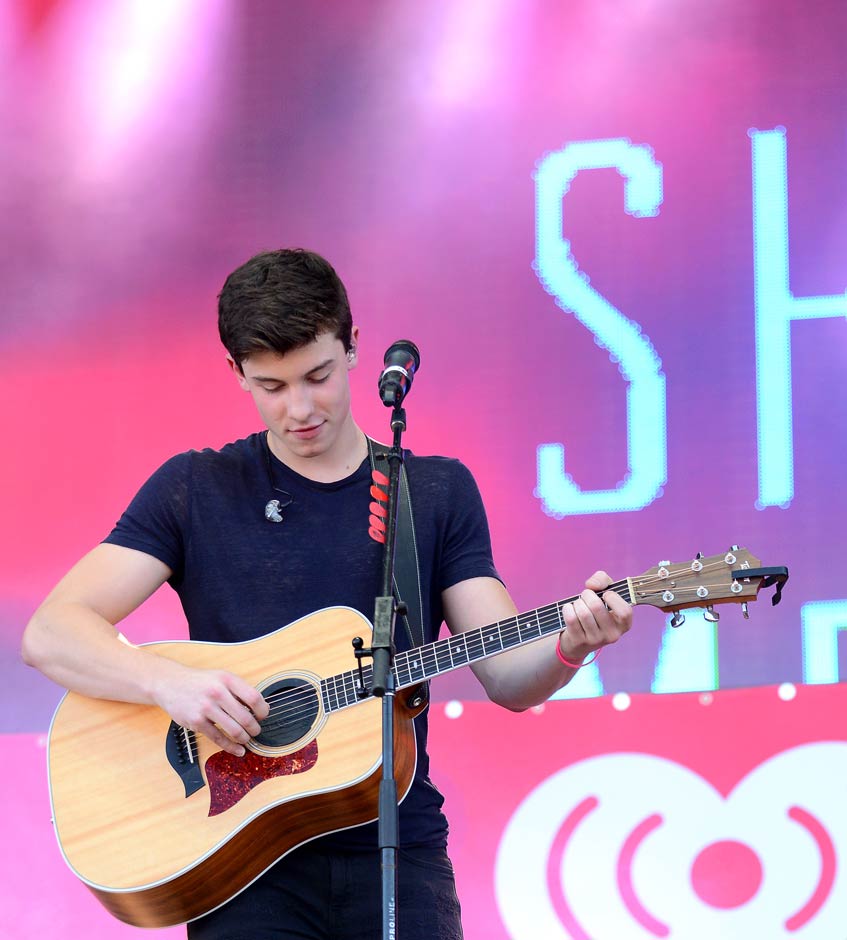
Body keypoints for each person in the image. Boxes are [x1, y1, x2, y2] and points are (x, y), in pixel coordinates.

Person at [20, 248, 633, 939]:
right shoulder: (196, 488)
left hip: (397, 849)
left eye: (318, 375)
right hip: (241, 862)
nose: (300, 408)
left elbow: (507, 674)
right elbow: (51, 633)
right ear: (236, 374)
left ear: (354, 347)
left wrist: (571, 646)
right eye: (271, 386)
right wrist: (168, 685)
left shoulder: (432, 492)